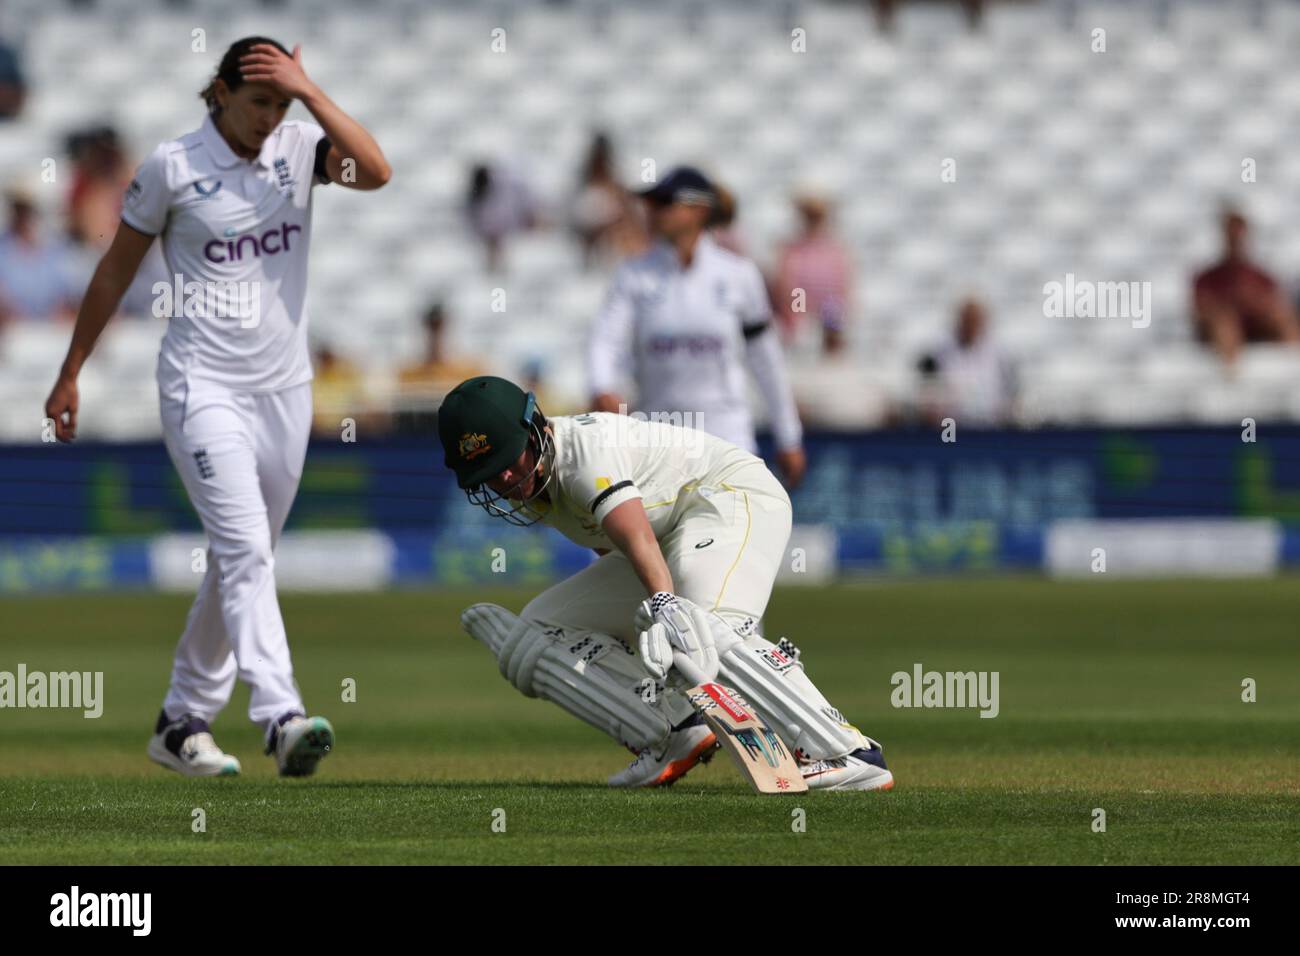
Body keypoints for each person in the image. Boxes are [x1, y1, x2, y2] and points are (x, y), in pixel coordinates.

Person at [43, 37, 391, 777]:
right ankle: (281, 715)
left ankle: (181, 722)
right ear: (222, 92)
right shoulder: (174, 167)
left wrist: (313, 92)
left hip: (285, 391)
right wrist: (71, 370)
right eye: (260, 100)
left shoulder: (300, 148)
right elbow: (113, 272)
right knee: (245, 552)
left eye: (282, 103)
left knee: (243, 559)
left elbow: (378, 173)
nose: (271, 117)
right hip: (202, 388)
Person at [436, 375, 893, 791]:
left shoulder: (581, 455)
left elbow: (636, 537)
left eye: (507, 460)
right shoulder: (537, 483)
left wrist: (666, 608)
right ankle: (672, 730)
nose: (506, 479)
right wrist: (655, 659)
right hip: (669, 534)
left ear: (533, 426)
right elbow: (615, 548)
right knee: (538, 629)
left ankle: (845, 749)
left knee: (697, 624)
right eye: (489, 474)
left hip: (728, 497)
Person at [587, 166, 807, 489]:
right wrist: (601, 385)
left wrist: (788, 436)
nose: (653, 212)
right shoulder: (633, 275)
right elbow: (605, 339)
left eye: (665, 203)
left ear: (698, 210)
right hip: (657, 438)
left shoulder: (738, 275)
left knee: (731, 536)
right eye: (652, 203)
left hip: (728, 438)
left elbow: (765, 359)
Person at [1192, 209, 1300, 364]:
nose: (1236, 242)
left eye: (1239, 236)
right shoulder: (1206, 278)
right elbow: (1201, 311)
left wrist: (1252, 303)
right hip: (1223, 331)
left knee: (1283, 319)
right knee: (1225, 324)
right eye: (1232, 236)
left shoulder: (1260, 276)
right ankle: (1232, 377)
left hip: (1256, 328)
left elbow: (1275, 305)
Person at [772, 192, 852, 355]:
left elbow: (841, 288)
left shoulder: (834, 250)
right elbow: (790, 287)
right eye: (810, 216)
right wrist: (799, 314)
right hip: (800, 310)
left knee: (833, 314)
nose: (813, 221)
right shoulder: (792, 249)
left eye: (817, 216)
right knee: (801, 332)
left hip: (828, 308)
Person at [917, 297, 1014, 426]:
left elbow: (1006, 391)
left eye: (974, 320)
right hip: (951, 426)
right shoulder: (941, 352)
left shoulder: (998, 353)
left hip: (989, 425)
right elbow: (931, 390)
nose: (971, 325)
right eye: (967, 320)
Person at [0, 184, 81, 325]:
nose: (25, 217)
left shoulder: (58, 251)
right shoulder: (3, 249)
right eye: (20, 210)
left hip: (50, 335)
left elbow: (66, 300)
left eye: (30, 210)